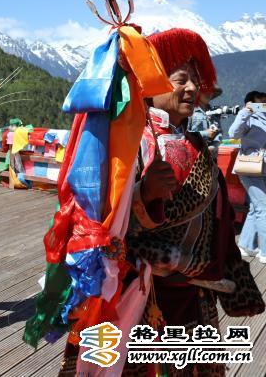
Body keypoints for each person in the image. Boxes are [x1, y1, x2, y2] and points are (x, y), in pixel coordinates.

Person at [55, 28, 264, 375]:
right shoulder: (131, 142)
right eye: (180, 80)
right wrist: (145, 194)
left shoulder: (196, 143)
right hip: (144, 292)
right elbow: (104, 222)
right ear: (151, 85)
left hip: (196, 292)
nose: (192, 88)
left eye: (195, 80)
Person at [230, 90, 266, 261]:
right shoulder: (248, 117)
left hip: (263, 168)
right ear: (250, 103)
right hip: (249, 167)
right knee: (263, 208)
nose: (263, 104)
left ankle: (245, 245)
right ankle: (264, 251)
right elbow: (233, 134)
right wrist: (246, 111)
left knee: (255, 207)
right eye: (260, 101)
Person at [188, 87, 222, 157]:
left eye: (211, 91)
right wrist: (206, 133)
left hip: (211, 158)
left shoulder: (215, 112)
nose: (209, 93)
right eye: (205, 91)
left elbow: (219, 133)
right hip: (194, 157)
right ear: (197, 92)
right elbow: (185, 134)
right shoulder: (189, 110)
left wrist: (213, 146)